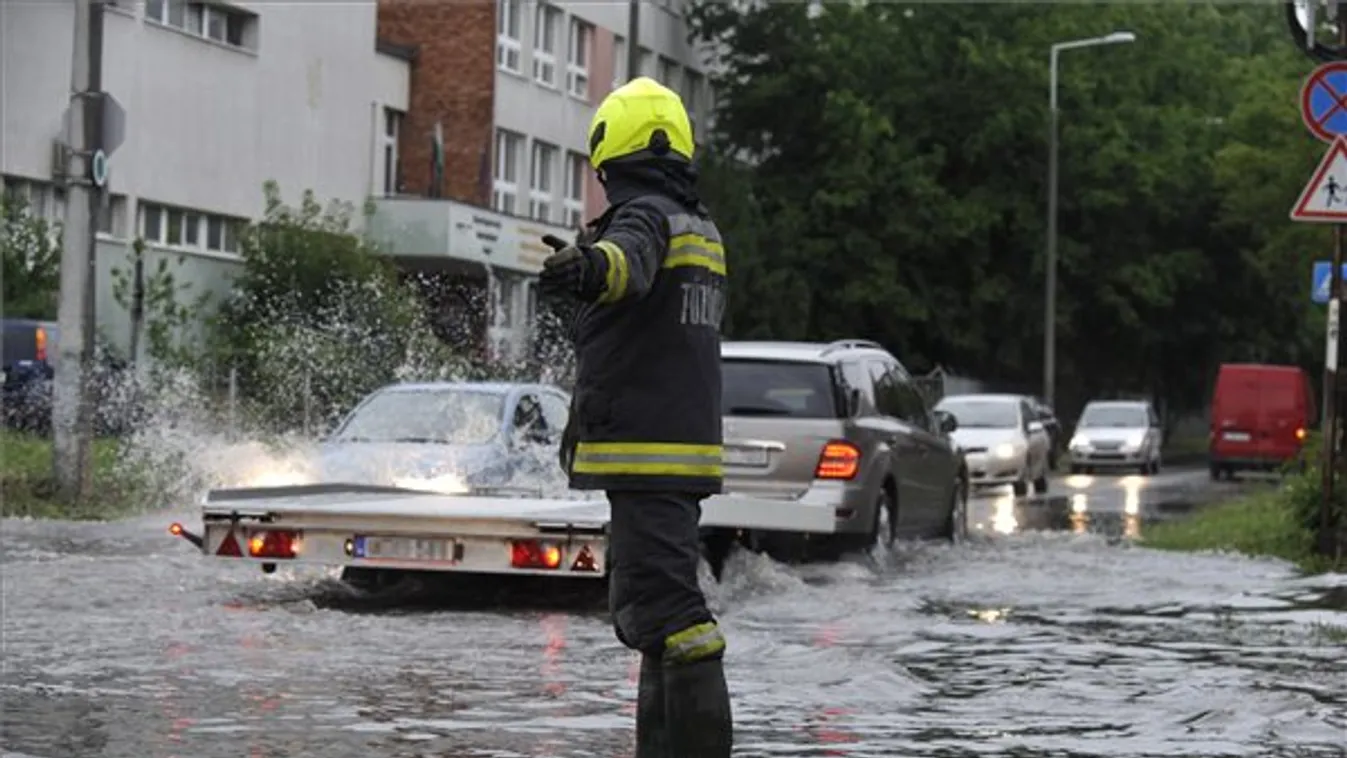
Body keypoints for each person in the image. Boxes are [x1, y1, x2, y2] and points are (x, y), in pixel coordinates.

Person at [537, 76, 732, 757]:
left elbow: (626, 266)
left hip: (646, 452)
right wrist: (586, 293)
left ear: (609, 156)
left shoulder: (644, 216)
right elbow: (638, 318)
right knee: (652, 617)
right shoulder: (696, 226)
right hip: (673, 452)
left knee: (676, 618)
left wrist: (586, 269)